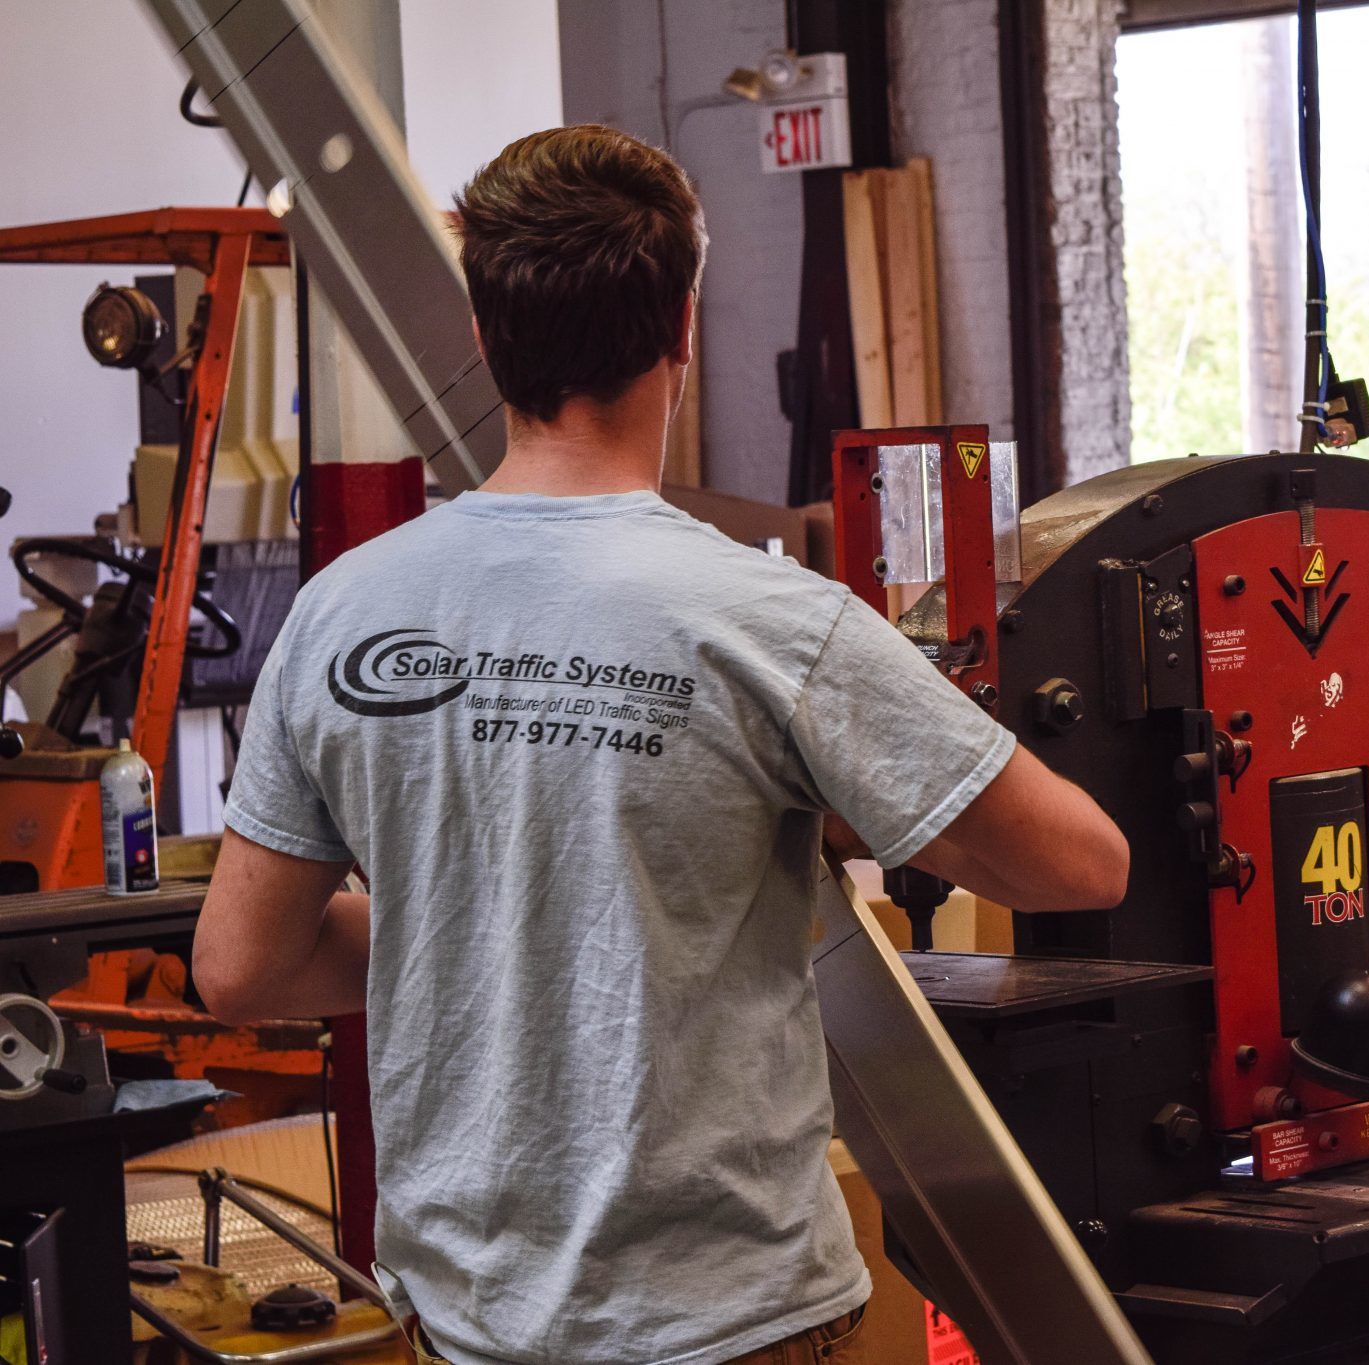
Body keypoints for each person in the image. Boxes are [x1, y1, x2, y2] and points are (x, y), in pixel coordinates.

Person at [193, 124, 1129, 1365]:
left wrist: (474, 924)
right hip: (728, 1323)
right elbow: (1081, 866)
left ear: (484, 335)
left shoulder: (340, 612)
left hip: (463, 1325)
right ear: (682, 330)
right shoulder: (772, 619)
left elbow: (241, 969)